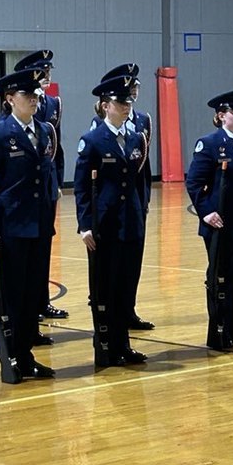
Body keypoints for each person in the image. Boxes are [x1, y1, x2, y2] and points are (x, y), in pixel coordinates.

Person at [0, 68, 58, 381]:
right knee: (11, 297)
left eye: (36, 95)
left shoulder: (45, 130)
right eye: (26, 95)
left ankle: (27, 355)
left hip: (39, 226)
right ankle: (10, 359)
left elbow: (45, 175)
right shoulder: (0, 133)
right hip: (11, 227)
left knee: (32, 295)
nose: (34, 100)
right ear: (9, 99)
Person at [74, 74, 150, 367]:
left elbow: (139, 181)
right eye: (120, 102)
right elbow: (82, 186)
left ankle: (123, 345)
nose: (127, 106)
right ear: (106, 105)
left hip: (130, 222)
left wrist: (141, 210)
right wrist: (85, 224)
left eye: (128, 101)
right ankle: (105, 345)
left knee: (125, 287)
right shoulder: (92, 140)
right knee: (104, 288)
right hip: (104, 224)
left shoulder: (135, 138)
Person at [185, 89, 233, 351]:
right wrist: (206, 211)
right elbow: (195, 182)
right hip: (220, 224)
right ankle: (218, 330)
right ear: (221, 116)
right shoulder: (209, 144)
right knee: (220, 278)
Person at [93, 63, 154, 331]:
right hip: (110, 206)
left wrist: (145, 199)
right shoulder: (100, 127)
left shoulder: (142, 121)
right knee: (111, 266)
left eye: (134, 87)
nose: (133, 93)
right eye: (127, 88)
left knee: (133, 261)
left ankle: (129, 309)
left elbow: (143, 167)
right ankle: (108, 314)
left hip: (134, 201)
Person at [12, 49, 68, 325]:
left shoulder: (54, 104)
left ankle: (42, 299)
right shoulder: (19, 101)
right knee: (28, 246)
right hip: (25, 185)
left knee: (45, 242)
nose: (47, 77)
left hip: (47, 183)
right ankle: (28, 303)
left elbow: (57, 148)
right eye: (41, 73)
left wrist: (57, 179)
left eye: (48, 72)